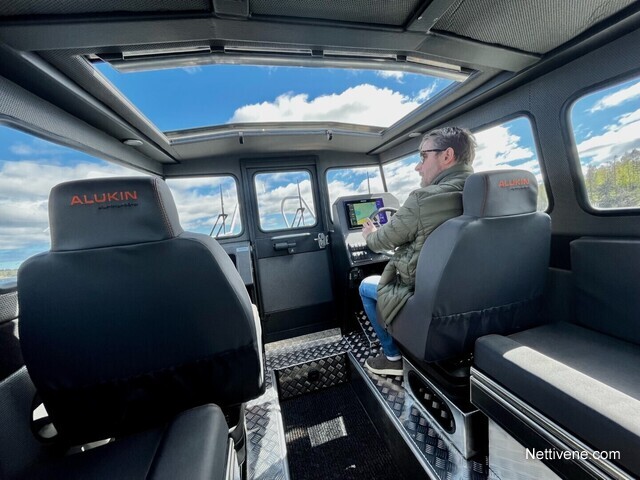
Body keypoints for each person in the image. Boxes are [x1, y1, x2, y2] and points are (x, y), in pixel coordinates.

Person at [359, 127, 476, 376]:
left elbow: (382, 241)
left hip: (426, 297)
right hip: (473, 295)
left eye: (423, 156)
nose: (417, 167)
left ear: (447, 156)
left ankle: (392, 356)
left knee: (364, 285)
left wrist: (370, 234)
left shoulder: (422, 200)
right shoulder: (483, 193)